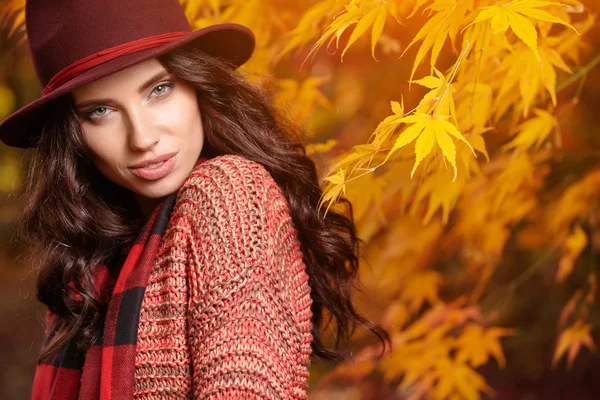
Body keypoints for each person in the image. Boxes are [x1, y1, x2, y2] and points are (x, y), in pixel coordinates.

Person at [0, 0, 390, 399]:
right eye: (100, 111)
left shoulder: (229, 194)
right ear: (72, 135)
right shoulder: (93, 261)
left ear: (198, 84)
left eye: (159, 89)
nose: (142, 138)